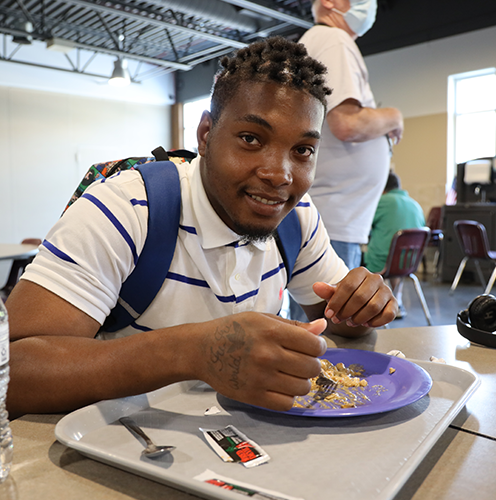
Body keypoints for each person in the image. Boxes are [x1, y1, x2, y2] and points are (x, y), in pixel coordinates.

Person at [6, 36, 397, 419]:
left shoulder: (297, 218)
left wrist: (360, 305)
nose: (279, 174)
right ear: (206, 135)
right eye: (250, 138)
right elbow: (12, 369)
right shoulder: (127, 208)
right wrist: (191, 352)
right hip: (126, 454)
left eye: (303, 151)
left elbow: (336, 323)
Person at [299, 0, 404, 270]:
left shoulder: (323, 40)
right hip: (334, 220)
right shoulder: (333, 39)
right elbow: (347, 124)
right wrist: (393, 116)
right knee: (332, 312)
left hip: (335, 219)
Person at [364, 171, 426, 317]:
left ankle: (374, 304)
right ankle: (396, 302)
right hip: (408, 263)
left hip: (382, 263)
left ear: (382, 188)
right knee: (395, 256)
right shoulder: (415, 205)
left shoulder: (381, 202)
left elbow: (362, 225)